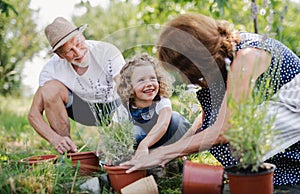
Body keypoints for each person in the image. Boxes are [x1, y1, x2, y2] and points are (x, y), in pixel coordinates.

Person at [121, 13, 300, 186]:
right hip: (275, 119)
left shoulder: (246, 56)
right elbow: (207, 118)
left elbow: (224, 129)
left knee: (233, 138)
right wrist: (178, 147)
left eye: (182, 71)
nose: (184, 78)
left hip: (293, 116)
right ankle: (257, 175)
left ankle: (274, 173)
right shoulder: (223, 58)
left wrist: (162, 153)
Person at [27, 17, 125, 155]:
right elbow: (33, 114)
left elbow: (126, 93)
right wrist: (55, 139)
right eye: (69, 51)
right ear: (60, 55)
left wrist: (112, 130)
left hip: (113, 105)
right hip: (84, 110)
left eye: (78, 43)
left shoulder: (106, 52)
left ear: (82, 36)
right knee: (49, 89)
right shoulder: (51, 70)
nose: (78, 53)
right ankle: (68, 153)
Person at [116, 53, 190, 160]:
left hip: (164, 141)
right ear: (129, 86)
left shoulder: (161, 100)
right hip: (142, 149)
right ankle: (140, 158)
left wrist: (144, 144)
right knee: (132, 131)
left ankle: (176, 154)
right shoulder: (125, 107)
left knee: (176, 119)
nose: (149, 83)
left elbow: (163, 124)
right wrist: (105, 150)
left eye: (152, 78)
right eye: (141, 80)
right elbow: (113, 131)